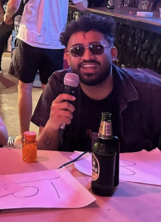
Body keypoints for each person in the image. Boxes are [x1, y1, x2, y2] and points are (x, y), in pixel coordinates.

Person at [32, 14, 161, 153]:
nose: (87, 57)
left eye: (96, 48)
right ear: (68, 58)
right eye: (77, 50)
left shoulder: (152, 94)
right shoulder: (58, 85)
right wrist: (52, 125)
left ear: (113, 54)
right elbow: (43, 155)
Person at [4, 0, 87, 144]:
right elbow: (82, 6)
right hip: (56, 43)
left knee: (25, 87)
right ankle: (47, 139)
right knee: (52, 91)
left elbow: (14, 3)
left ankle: (24, 138)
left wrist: (7, 16)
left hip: (28, 39)